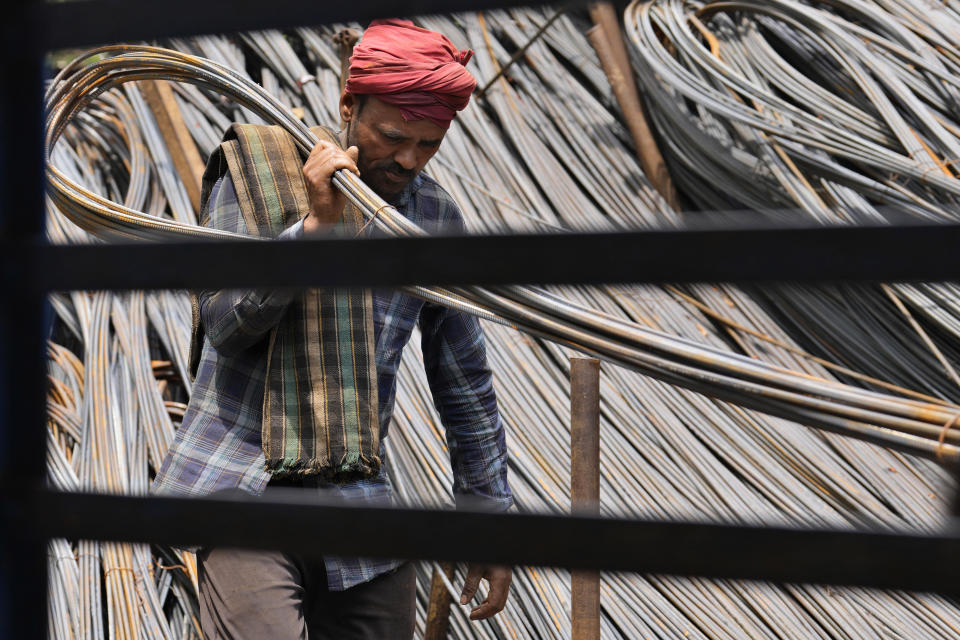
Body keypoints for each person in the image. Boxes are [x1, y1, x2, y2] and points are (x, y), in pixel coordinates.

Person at [152, 19, 513, 640]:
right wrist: (316, 230)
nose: (408, 159)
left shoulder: (432, 218)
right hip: (242, 481)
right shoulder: (259, 170)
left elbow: (465, 380)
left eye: (429, 145)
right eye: (393, 136)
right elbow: (224, 322)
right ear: (350, 106)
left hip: (355, 495)